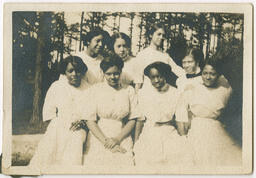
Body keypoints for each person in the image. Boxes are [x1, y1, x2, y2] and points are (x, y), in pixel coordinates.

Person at [29, 56, 90, 170]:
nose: (74, 74)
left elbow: (92, 113)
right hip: (58, 125)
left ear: (82, 71)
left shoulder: (88, 89)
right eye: (70, 71)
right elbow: (48, 111)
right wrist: (55, 127)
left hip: (79, 127)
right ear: (64, 72)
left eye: (77, 70)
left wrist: (83, 123)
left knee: (75, 142)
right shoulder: (57, 86)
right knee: (50, 147)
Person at [82, 53, 139, 170]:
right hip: (99, 135)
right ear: (103, 73)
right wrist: (106, 142)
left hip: (122, 135)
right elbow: (90, 120)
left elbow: (133, 118)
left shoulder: (129, 90)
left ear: (121, 71)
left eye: (116, 73)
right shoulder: (96, 90)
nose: (113, 77)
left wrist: (117, 139)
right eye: (108, 74)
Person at [133, 62, 193, 168]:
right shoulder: (143, 93)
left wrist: (183, 138)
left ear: (165, 75)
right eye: (153, 77)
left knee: (175, 159)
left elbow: (179, 118)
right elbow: (140, 119)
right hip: (150, 131)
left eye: (159, 77)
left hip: (169, 131)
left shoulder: (176, 93)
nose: (156, 80)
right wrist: (136, 141)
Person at [184, 59, 242, 167]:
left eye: (212, 74)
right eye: (205, 73)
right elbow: (183, 111)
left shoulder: (225, 90)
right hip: (196, 129)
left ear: (218, 75)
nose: (208, 77)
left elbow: (229, 113)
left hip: (216, 130)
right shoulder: (193, 88)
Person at [133, 23, 185, 91]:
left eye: (163, 35)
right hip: (147, 93)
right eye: (159, 34)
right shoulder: (142, 55)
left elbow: (178, 70)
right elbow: (138, 80)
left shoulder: (165, 56)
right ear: (151, 35)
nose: (161, 37)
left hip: (163, 94)